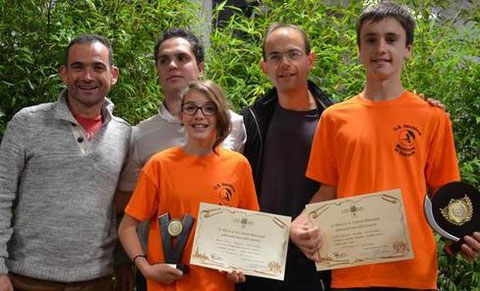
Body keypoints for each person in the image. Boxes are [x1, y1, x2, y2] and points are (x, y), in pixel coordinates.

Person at [290, 3, 480, 290]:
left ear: (408, 49)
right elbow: (328, 191)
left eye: (391, 39)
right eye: (371, 39)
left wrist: (464, 236)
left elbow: (446, 196)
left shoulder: (432, 117)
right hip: (351, 269)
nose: (381, 47)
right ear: (359, 50)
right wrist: (299, 223)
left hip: (413, 271)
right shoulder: (334, 119)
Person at [115, 28, 246, 291]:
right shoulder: (142, 138)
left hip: (216, 279)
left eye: (181, 58)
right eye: (164, 60)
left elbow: (239, 212)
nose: (172, 66)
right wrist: (142, 264)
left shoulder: (237, 129)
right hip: (163, 272)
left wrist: (239, 259)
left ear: (200, 66)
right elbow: (127, 208)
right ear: (182, 118)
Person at [0, 35, 131, 291]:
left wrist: (123, 261)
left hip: (98, 281)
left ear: (113, 74)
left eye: (97, 67)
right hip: (28, 279)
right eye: (78, 67)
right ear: (64, 73)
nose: (88, 76)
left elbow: (125, 208)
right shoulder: (27, 123)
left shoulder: (125, 134)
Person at [241, 23, 334, 291]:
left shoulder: (335, 118)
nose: (284, 64)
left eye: (293, 54)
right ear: (264, 67)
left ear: (310, 60)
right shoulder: (251, 120)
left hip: (316, 252)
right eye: (275, 57)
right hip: (262, 254)